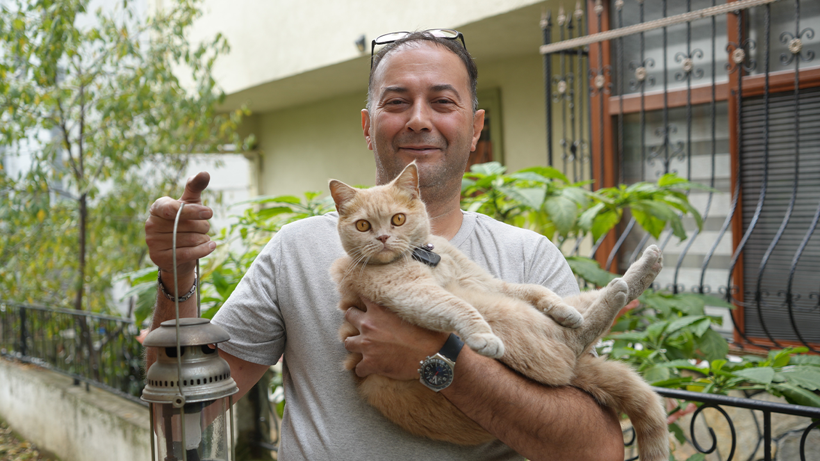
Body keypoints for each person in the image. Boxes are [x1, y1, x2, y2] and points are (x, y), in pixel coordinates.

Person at [145, 31, 624, 460]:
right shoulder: (296, 249)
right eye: (396, 103)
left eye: (442, 102)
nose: (418, 119)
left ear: (475, 127)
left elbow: (596, 450)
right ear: (367, 125)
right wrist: (176, 276)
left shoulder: (528, 256)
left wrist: (437, 359)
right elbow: (178, 418)